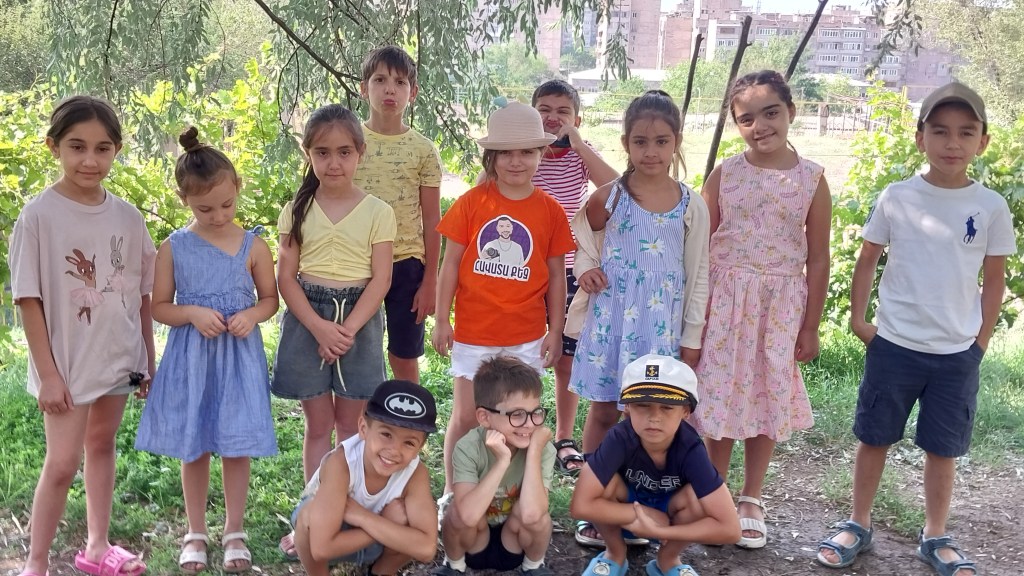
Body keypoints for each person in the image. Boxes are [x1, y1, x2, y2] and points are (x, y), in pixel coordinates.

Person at [817, 83, 1014, 576]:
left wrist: (980, 342)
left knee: (943, 449)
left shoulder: (991, 206)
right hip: (895, 346)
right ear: (920, 136)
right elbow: (868, 258)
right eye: (940, 131)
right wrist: (860, 320)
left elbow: (994, 279)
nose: (953, 143)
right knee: (874, 437)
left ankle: (935, 534)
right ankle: (858, 523)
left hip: (956, 354)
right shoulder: (898, 196)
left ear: (983, 142)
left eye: (965, 132)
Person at [9, 95, 155, 576]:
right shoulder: (38, 217)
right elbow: (28, 299)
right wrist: (48, 376)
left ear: (116, 150)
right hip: (67, 366)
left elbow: (141, 294)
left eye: (102, 148)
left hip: (118, 356)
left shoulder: (129, 218)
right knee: (62, 462)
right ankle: (35, 563)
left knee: (102, 445)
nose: (90, 160)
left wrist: (147, 357)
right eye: (77, 147)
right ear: (53, 147)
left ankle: (96, 548)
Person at [690, 70, 832, 549]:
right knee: (720, 393)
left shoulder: (812, 179)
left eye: (770, 113)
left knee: (766, 393)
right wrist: (695, 313)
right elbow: (700, 245)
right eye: (746, 118)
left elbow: (818, 257)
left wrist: (810, 326)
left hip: (779, 305)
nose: (760, 126)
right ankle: (714, 494)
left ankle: (751, 497)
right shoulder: (725, 173)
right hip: (724, 300)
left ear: (790, 111)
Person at [567, 90, 710, 548]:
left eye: (662, 141)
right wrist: (585, 269)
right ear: (626, 143)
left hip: (659, 329)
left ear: (677, 142)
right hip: (613, 323)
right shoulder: (610, 197)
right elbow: (581, 238)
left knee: (651, 418)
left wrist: (691, 335)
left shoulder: (690, 204)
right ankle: (595, 504)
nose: (651, 151)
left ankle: (640, 508)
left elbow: (698, 273)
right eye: (640, 142)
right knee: (604, 411)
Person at [134, 127, 279, 573]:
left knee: (236, 444)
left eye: (226, 205)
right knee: (193, 445)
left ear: (238, 188)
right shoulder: (173, 248)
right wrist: (192, 313)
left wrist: (252, 315)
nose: (218, 215)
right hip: (192, 358)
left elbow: (270, 300)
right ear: (184, 200)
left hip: (238, 357)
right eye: (204, 208)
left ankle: (234, 530)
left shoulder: (254, 245)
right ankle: (195, 531)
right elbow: (159, 307)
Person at [272, 104, 397, 559]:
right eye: (322, 153)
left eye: (344, 152)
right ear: (308, 154)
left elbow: (381, 279)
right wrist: (320, 328)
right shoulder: (296, 210)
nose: (334, 163)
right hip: (309, 319)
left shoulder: (378, 211)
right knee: (318, 426)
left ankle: (346, 511)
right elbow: (286, 277)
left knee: (350, 425)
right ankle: (312, 513)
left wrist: (345, 330)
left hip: (357, 321)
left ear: (360, 153)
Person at [432, 102, 576, 495]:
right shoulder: (472, 202)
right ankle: (453, 493)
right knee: (467, 416)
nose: (516, 161)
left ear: (541, 153)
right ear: (491, 157)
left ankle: (512, 494)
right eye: (506, 153)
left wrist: (556, 329)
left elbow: (557, 277)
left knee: (519, 419)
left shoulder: (550, 211)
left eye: (527, 151)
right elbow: (450, 264)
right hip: (475, 331)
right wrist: (442, 319)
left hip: (526, 334)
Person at [570, 354, 741, 576]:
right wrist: (643, 514)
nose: (654, 417)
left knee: (697, 498)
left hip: (672, 518)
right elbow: (580, 506)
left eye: (667, 407)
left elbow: (731, 529)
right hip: (623, 516)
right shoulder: (618, 439)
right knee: (605, 484)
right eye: (642, 405)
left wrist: (663, 530)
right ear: (627, 407)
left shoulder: (691, 448)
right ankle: (615, 553)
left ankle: (668, 559)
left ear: (686, 411)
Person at [530, 79, 619, 476]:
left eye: (562, 112)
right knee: (525, 354)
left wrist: (579, 144)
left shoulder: (579, 155)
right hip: (524, 270)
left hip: (567, 269)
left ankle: (564, 437)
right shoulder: (522, 152)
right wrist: (530, 145)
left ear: (576, 120)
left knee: (566, 358)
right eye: (544, 110)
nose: (553, 118)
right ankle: (523, 428)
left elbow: (617, 190)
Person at [352, 45, 443, 384]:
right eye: (380, 80)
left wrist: (430, 280)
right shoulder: (348, 142)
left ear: (413, 92)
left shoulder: (423, 150)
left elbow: (432, 220)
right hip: (355, 262)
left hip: (406, 264)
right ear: (364, 88)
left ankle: (409, 414)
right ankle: (361, 416)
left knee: (403, 355)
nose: (389, 89)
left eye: (400, 82)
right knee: (357, 350)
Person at [291, 379, 439, 576]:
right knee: (308, 515)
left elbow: (427, 548)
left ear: (420, 447)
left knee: (407, 516)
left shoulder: (415, 473)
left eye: (409, 443)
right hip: (331, 536)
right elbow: (321, 548)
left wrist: (364, 518)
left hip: (376, 537)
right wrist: (383, 522)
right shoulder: (342, 463)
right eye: (386, 434)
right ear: (363, 428)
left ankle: (381, 571)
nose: (394, 450)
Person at [433, 356, 557, 576]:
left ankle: (533, 566)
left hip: (514, 541)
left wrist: (534, 452)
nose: (529, 424)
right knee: (455, 511)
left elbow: (532, 514)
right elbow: (467, 516)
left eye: (535, 412)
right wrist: (502, 462)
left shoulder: (542, 448)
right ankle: (454, 565)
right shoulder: (468, 447)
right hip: (474, 543)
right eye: (517, 415)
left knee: (541, 518)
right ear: (484, 417)